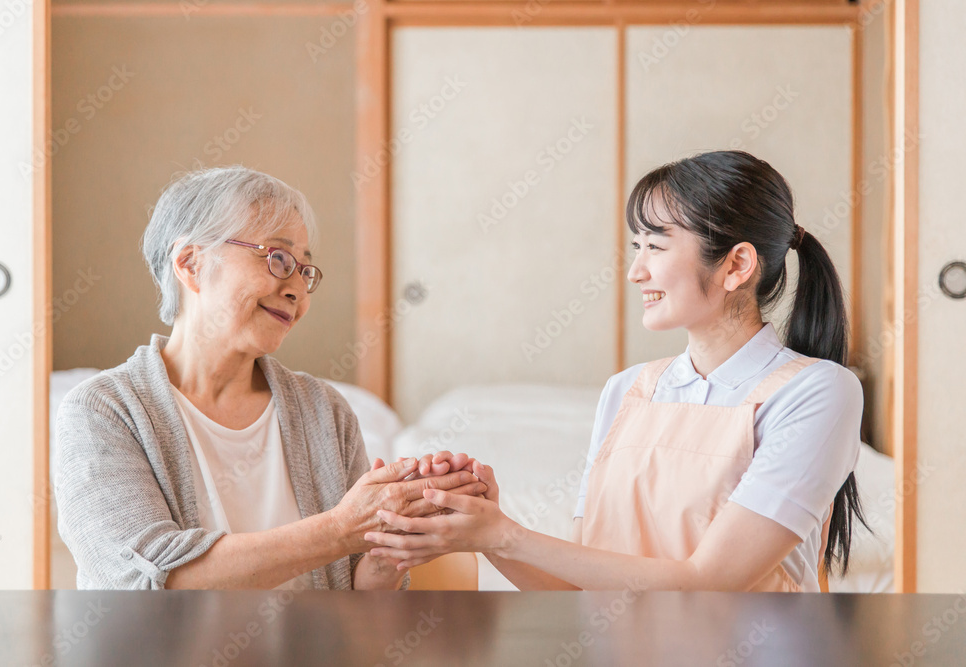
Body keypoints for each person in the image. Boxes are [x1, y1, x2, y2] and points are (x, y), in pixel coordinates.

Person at [365, 151, 867, 592]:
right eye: (636, 247)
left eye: (656, 245)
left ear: (736, 266)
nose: (636, 271)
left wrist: (505, 536)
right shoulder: (629, 390)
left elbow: (710, 581)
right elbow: (574, 591)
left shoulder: (817, 391)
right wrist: (488, 530)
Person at [54, 166, 484, 590]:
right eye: (277, 259)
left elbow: (356, 595)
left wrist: (389, 542)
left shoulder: (325, 410)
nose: (297, 288)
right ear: (190, 263)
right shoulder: (102, 410)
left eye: (305, 270)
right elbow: (145, 583)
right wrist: (342, 527)